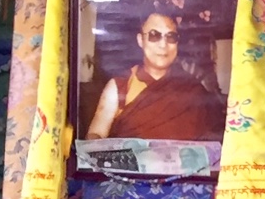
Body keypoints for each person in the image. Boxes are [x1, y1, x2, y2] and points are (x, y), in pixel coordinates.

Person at [85, 11, 227, 141]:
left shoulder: (192, 87)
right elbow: (96, 134)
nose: (163, 44)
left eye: (171, 37)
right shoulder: (121, 86)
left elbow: (215, 136)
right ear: (141, 40)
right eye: (154, 35)